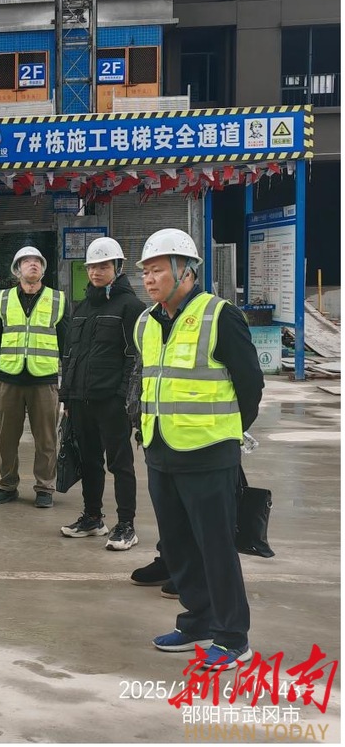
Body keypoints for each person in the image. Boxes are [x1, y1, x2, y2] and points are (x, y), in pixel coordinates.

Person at [134, 228, 263, 671]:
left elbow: (250, 385)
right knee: (177, 546)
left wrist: (227, 432)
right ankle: (199, 622)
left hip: (208, 453)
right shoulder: (146, 322)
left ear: (185, 271)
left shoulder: (220, 315)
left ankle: (232, 636)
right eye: (146, 272)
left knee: (215, 547)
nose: (149, 279)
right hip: (160, 449)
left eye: (157, 270)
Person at [58, 237, 145, 550]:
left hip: (112, 401)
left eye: (103, 266)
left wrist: (124, 398)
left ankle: (126, 525)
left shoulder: (131, 307)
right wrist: (67, 396)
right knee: (89, 461)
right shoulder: (81, 307)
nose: (96, 272)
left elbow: (135, 357)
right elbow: (70, 355)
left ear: (117, 267)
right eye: (92, 266)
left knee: (120, 465)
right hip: (81, 400)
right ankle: (93, 518)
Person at [0, 246, 69, 509]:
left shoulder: (57, 300)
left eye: (37, 261)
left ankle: (44, 487)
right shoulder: (4, 299)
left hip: (44, 380)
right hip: (9, 379)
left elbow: (68, 344)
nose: (33, 264)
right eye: (27, 261)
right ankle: (8, 485)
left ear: (43, 269)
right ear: (17, 270)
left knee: (47, 439)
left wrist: (69, 382)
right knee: (6, 438)